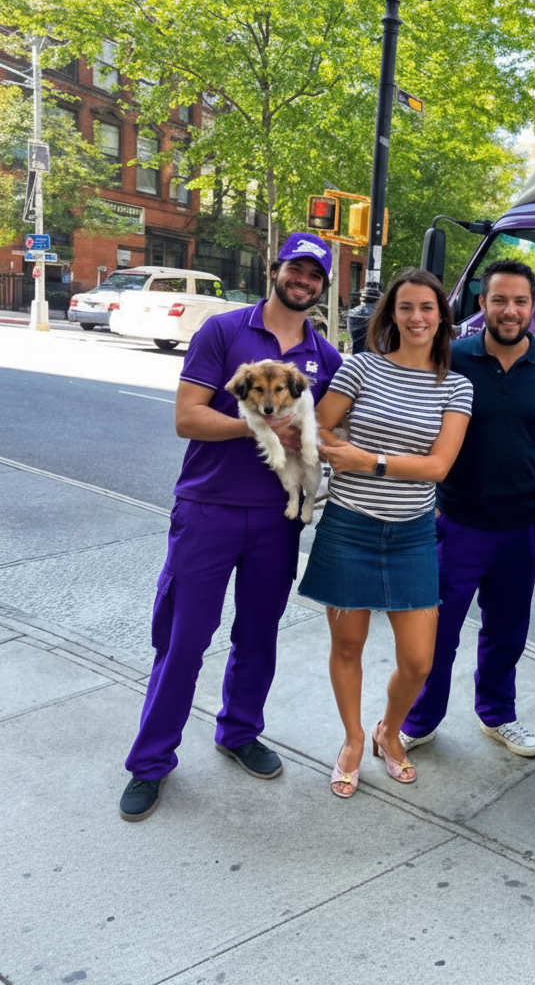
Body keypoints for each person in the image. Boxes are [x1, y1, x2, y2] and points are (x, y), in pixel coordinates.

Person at [119, 232, 342, 821]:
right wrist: (260, 426)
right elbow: (187, 418)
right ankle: (150, 763)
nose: (303, 281)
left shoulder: (326, 356)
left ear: (323, 286)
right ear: (277, 270)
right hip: (210, 508)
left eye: (314, 275)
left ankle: (239, 731)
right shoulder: (224, 331)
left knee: (258, 635)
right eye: (295, 269)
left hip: (276, 520)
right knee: (183, 639)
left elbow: (334, 435)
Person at [297, 269, 472, 797]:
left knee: (419, 661)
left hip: (413, 535)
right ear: (390, 315)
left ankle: (388, 730)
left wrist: (366, 459)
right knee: (347, 646)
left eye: (426, 308)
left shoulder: (457, 385)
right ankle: (353, 739)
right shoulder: (361, 369)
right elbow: (320, 425)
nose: (416, 317)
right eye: (405, 308)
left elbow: (439, 466)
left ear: (442, 316)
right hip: (349, 525)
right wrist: (334, 452)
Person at [399, 259, 535, 758]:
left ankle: (498, 714)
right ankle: (419, 720)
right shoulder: (452, 357)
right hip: (456, 523)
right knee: (436, 631)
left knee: (507, 632)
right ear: (482, 304)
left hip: (524, 526)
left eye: (520, 300)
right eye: (499, 299)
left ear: (532, 305)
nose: (510, 310)